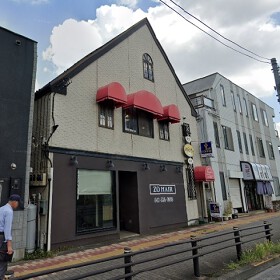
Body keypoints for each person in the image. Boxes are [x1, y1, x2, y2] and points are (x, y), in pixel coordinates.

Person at [0, 194, 20, 279]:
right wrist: (9, 246)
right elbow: (7, 229)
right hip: (2, 237)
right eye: (18, 202)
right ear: (14, 202)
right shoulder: (9, 211)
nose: (18, 205)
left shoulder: (1, 208)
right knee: (3, 260)